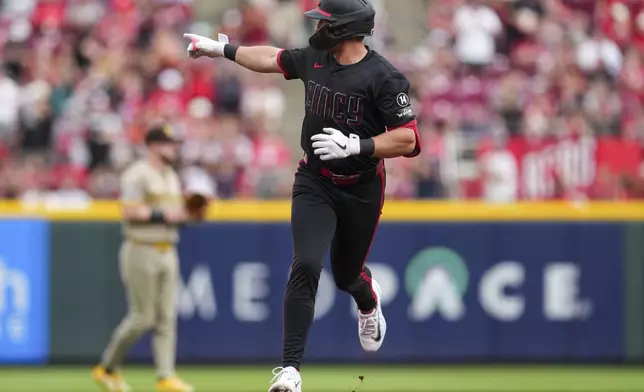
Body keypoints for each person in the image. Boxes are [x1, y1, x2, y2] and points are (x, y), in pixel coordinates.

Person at [184, 0, 420, 391]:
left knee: (347, 275)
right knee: (307, 263)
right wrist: (219, 49)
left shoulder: (384, 76)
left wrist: (357, 146)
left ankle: (367, 299)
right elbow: (272, 59)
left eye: (327, 22)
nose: (317, 27)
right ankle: (290, 370)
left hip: (361, 186)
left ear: (346, 29)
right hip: (315, 179)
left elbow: (408, 139)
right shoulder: (315, 57)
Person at [92, 126, 194, 392]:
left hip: (168, 248)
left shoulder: (171, 175)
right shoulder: (137, 174)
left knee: (166, 317)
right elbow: (127, 210)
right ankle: (107, 367)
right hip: (141, 248)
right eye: (168, 144)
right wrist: (163, 216)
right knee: (142, 317)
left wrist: (186, 215)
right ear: (152, 146)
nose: (174, 148)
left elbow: (173, 214)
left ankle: (165, 376)